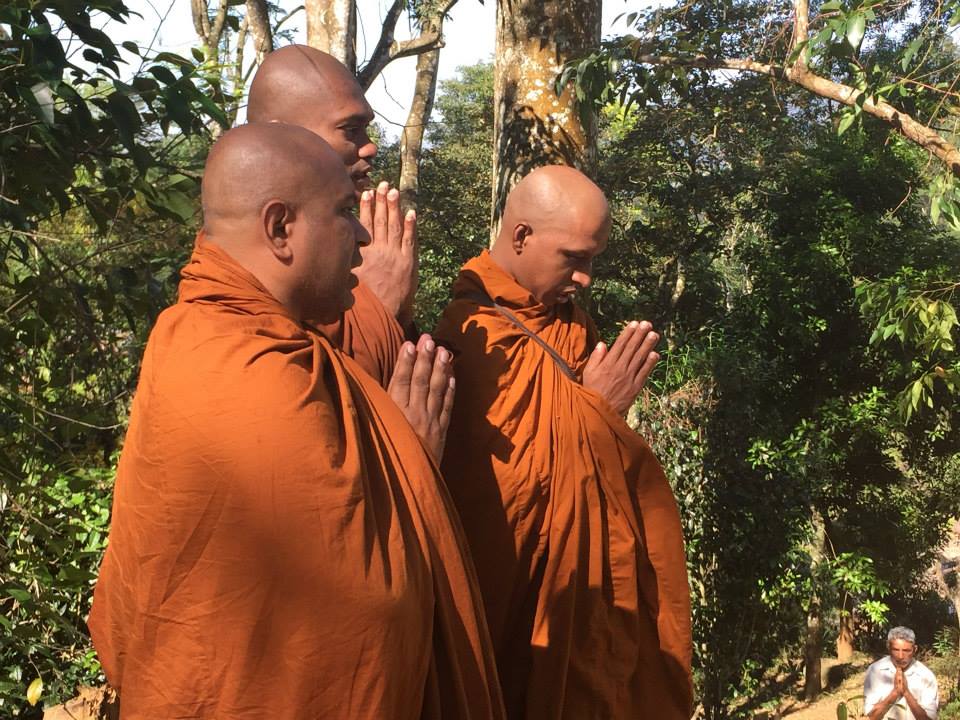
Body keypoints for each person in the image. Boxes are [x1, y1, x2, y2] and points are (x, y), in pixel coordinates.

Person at [88, 124, 504, 719]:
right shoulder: (252, 373)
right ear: (280, 227)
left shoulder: (187, 332)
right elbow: (359, 615)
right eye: (344, 212)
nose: (363, 236)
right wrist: (410, 460)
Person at [434, 165, 693, 719]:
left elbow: (591, 475)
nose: (585, 278)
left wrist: (597, 415)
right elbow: (477, 498)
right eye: (574, 258)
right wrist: (593, 410)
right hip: (498, 605)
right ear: (521, 235)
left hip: (576, 602)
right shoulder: (467, 338)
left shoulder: (574, 330)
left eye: (593, 260)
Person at [246, 44, 416, 387]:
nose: (370, 147)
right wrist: (378, 307)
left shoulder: (354, 248)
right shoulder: (240, 289)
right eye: (350, 130)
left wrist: (397, 310)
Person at [864, 626, 939, 720]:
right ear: (888, 648)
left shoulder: (926, 675)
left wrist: (906, 692)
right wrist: (895, 693)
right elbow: (872, 716)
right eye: (896, 650)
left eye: (906, 651)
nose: (900, 656)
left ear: (915, 649)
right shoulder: (875, 671)